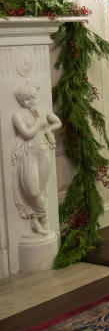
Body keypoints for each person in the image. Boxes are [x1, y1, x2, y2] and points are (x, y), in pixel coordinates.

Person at [11, 81, 62, 236]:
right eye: (25, 99)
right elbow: (27, 134)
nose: (30, 102)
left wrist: (48, 130)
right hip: (28, 154)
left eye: (32, 98)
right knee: (32, 191)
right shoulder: (17, 115)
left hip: (44, 151)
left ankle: (34, 219)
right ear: (20, 101)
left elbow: (58, 122)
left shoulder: (43, 110)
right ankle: (44, 219)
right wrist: (39, 120)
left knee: (41, 189)